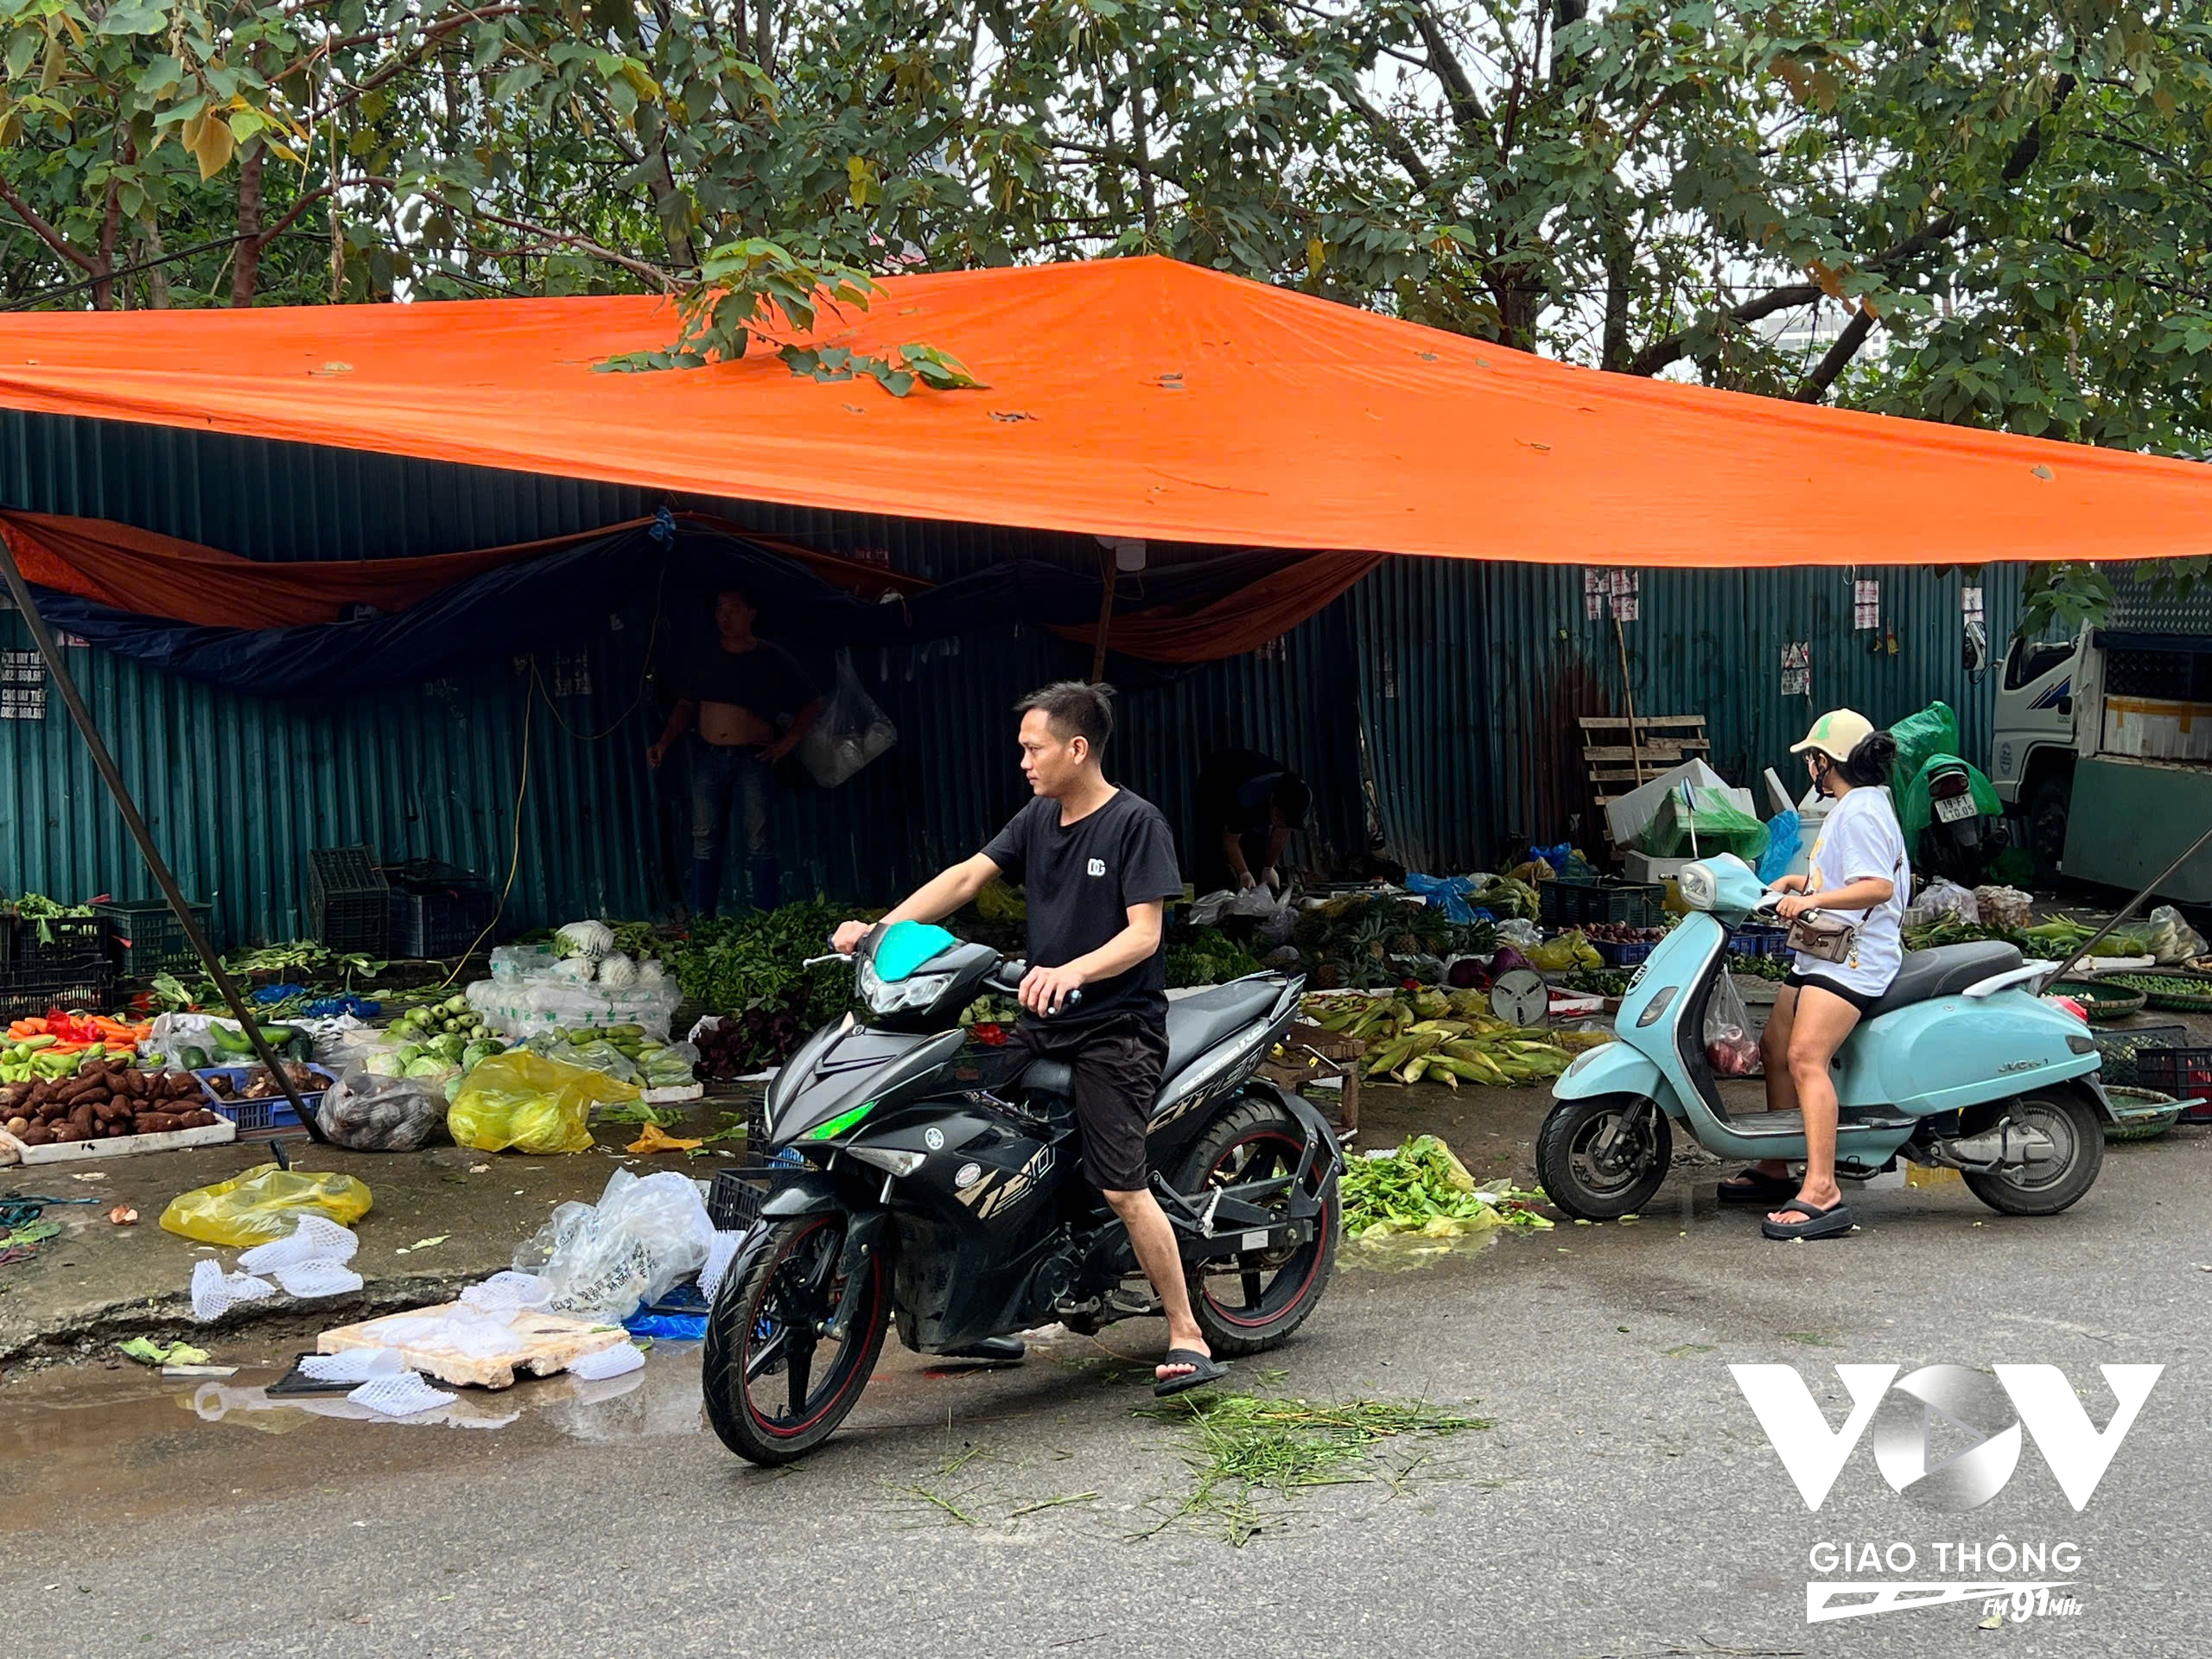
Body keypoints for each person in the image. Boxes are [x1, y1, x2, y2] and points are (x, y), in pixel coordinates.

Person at [830, 681, 1223, 1394]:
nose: (1023, 761)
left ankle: (1186, 1331)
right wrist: (880, 930)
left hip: (1117, 1032)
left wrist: (1069, 971)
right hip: (1042, 1025)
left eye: (1032, 747)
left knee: (1121, 1187)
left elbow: (1143, 936)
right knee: (964, 1137)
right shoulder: (1039, 817)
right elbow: (966, 877)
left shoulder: (1137, 824)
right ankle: (996, 1312)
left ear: (1077, 748)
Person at [1718, 709, 1907, 1242]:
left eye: (1812, 759)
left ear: (1828, 762)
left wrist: (1813, 898)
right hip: (1822, 948)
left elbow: (1875, 888)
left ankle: (1822, 1188)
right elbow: (1847, 874)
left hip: (1854, 956)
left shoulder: (1862, 811)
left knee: (1804, 1056)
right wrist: (1802, 880)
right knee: (1774, 1045)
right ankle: (1777, 1163)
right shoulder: (1855, 806)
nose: (1810, 769)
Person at [648, 587, 822, 918]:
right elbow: (685, 705)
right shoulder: (704, 656)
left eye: (733, 610)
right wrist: (664, 743)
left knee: (760, 840)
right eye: (720, 610)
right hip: (709, 757)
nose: (724, 617)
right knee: (704, 838)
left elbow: (811, 702)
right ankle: (704, 920)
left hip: (754, 758)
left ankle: (765, 919)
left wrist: (789, 741)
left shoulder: (771, 656)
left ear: (751, 613)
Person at [1193, 747, 1312, 893]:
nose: (1282, 824)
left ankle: (1256, 886)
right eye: (1280, 819)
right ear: (1275, 811)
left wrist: (1269, 867)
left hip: (1255, 778)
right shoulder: (1248, 799)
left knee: (1257, 850)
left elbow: (1282, 831)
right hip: (1217, 780)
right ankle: (1214, 891)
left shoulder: (1296, 795)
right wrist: (1244, 873)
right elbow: (1231, 840)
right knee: (1212, 843)